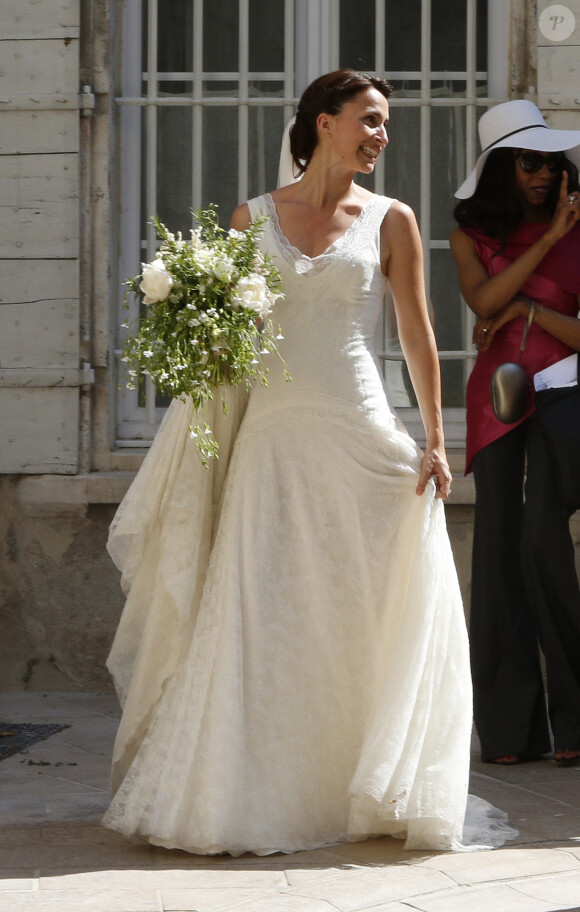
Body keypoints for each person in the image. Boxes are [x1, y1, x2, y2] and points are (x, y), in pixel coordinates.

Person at [102, 69, 506, 856]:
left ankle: (371, 782)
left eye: (384, 123)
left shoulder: (391, 219)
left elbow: (418, 335)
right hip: (272, 440)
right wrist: (196, 332)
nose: (381, 136)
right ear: (324, 122)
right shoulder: (250, 218)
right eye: (370, 119)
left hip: (361, 434)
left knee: (365, 607)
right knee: (263, 612)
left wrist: (434, 440)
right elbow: (230, 344)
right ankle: (245, 794)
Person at [450, 100, 580, 767]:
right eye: (529, 162)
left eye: (551, 162)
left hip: (564, 400)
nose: (543, 174)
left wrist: (527, 309)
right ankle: (509, 733)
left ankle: (575, 725)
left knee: (545, 547)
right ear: (502, 167)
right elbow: (482, 303)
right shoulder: (470, 235)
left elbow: (526, 314)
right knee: (498, 553)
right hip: (497, 402)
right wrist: (548, 243)